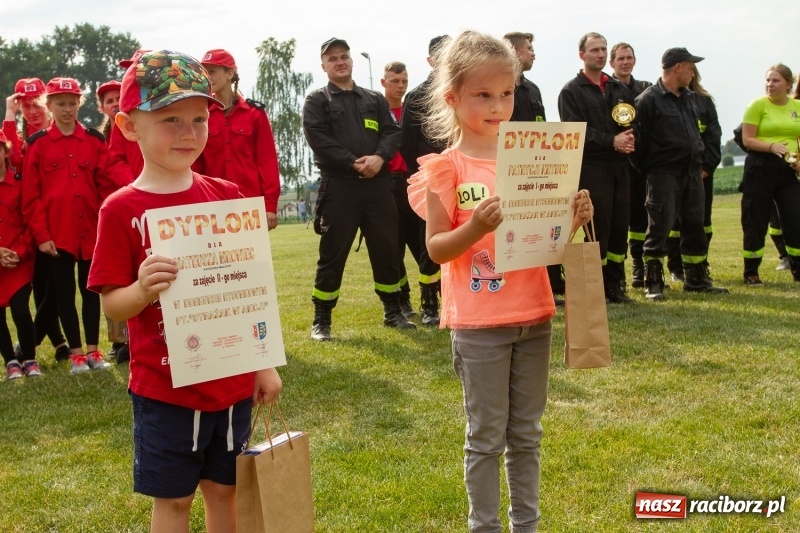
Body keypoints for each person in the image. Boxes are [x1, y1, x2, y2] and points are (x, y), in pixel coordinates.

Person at [87, 50, 282, 532]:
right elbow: (111, 301)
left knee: (227, 490)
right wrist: (141, 289)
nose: (189, 132)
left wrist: (263, 361)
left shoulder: (228, 197)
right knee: (173, 501)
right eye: (170, 119)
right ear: (130, 127)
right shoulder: (120, 209)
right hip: (166, 389)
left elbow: (247, 291)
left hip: (233, 382)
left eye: (199, 118)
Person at [407, 30, 593, 533]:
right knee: (487, 436)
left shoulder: (534, 159)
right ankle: (483, 526)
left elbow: (546, 243)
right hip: (480, 321)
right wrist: (477, 227)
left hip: (535, 313)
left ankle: (525, 524)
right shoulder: (445, 168)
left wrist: (572, 221)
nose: (497, 105)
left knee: (527, 434)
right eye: (482, 95)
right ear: (452, 97)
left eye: (506, 93)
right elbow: (436, 249)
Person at [302, 37, 415, 341]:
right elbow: (319, 139)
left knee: (387, 250)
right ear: (324, 65)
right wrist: (352, 162)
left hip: (378, 187)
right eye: (332, 58)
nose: (340, 62)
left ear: (351, 61)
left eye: (344, 57)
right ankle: (322, 320)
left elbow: (393, 133)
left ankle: (393, 312)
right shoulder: (317, 101)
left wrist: (380, 158)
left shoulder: (374, 99)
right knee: (332, 254)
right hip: (340, 188)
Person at [22, 77, 117, 373]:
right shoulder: (37, 145)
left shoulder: (93, 140)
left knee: (91, 291)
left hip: (91, 230)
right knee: (63, 294)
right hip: (56, 234)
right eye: (60, 103)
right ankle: (76, 354)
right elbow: (31, 196)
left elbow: (104, 187)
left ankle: (93, 350)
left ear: (80, 103)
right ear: (48, 105)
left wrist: (105, 226)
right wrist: (41, 235)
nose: (67, 109)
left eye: (72, 103)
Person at [633, 48, 728, 300]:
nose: (692, 72)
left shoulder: (689, 98)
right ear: (677, 68)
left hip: (692, 173)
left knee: (695, 224)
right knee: (660, 226)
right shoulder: (647, 100)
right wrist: (653, 169)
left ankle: (696, 279)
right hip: (663, 173)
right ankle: (653, 282)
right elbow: (637, 145)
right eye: (689, 67)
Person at [558, 32, 635, 303]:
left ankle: (615, 285)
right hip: (591, 169)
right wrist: (611, 140)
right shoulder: (571, 91)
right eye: (594, 50)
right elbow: (574, 133)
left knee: (618, 226)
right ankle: (595, 287)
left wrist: (627, 138)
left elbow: (627, 120)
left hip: (619, 167)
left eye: (603, 50)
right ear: (582, 55)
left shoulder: (618, 88)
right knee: (597, 228)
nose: (601, 55)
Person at [4, 78, 70, 363]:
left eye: (36, 105)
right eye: (25, 106)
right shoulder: (19, 142)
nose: (32, 111)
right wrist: (9, 113)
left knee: (54, 290)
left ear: (47, 103)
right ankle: (57, 344)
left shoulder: (58, 133)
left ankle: (35, 339)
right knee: (41, 289)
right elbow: (11, 157)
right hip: (31, 227)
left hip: (60, 223)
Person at [504, 31, 565, 304]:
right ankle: (517, 290)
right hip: (509, 177)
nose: (533, 53)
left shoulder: (534, 90)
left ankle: (550, 285)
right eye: (529, 48)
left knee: (542, 231)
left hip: (537, 176)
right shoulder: (501, 89)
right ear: (515, 52)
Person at [195, 49, 280, 230]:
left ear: (230, 74)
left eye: (212, 71)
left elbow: (267, 161)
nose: (208, 77)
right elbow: (196, 163)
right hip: (212, 203)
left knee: (253, 258)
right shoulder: (201, 115)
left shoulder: (254, 113)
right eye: (205, 72)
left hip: (249, 203)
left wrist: (270, 205)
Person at [382, 61, 439, 324]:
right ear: (383, 82)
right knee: (394, 247)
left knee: (421, 244)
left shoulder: (412, 106)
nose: (401, 86)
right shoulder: (377, 109)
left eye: (404, 81)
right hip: (389, 185)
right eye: (395, 81)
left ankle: (430, 299)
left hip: (413, 182)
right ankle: (402, 298)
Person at [400, 35, 449, 326]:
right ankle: (430, 304)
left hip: (464, 175)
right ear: (431, 61)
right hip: (431, 179)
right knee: (429, 242)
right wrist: (423, 177)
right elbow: (407, 145)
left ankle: (460, 298)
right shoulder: (417, 96)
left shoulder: (464, 89)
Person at [739, 63, 800, 284]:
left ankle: (797, 270)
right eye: (767, 80)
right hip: (760, 170)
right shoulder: (757, 106)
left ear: (788, 84)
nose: (770, 85)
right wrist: (772, 147)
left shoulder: (798, 106)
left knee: (795, 222)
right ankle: (751, 272)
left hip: (789, 174)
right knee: (755, 223)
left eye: (775, 80)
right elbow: (748, 139)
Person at [666, 65, 721, 282]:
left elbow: (714, 137)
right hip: (674, 174)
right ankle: (676, 268)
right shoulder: (664, 98)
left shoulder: (704, 101)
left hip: (700, 175)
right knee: (674, 226)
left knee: (702, 222)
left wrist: (706, 169)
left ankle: (699, 268)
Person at [608, 42, 652, 289]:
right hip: (619, 163)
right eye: (620, 58)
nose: (625, 62)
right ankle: (618, 276)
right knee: (620, 222)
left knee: (642, 220)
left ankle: (639, 268)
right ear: (612, 63)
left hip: (642, 165)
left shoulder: (645, 88)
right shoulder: (608, 89)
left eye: (629, 58)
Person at [0, 131, 41, 379]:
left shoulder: (19, 182)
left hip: (20, 259)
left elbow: (31, 219)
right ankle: (11, 362)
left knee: (20, 310)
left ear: (5, 151)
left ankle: (30, 359)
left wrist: (20, 251)